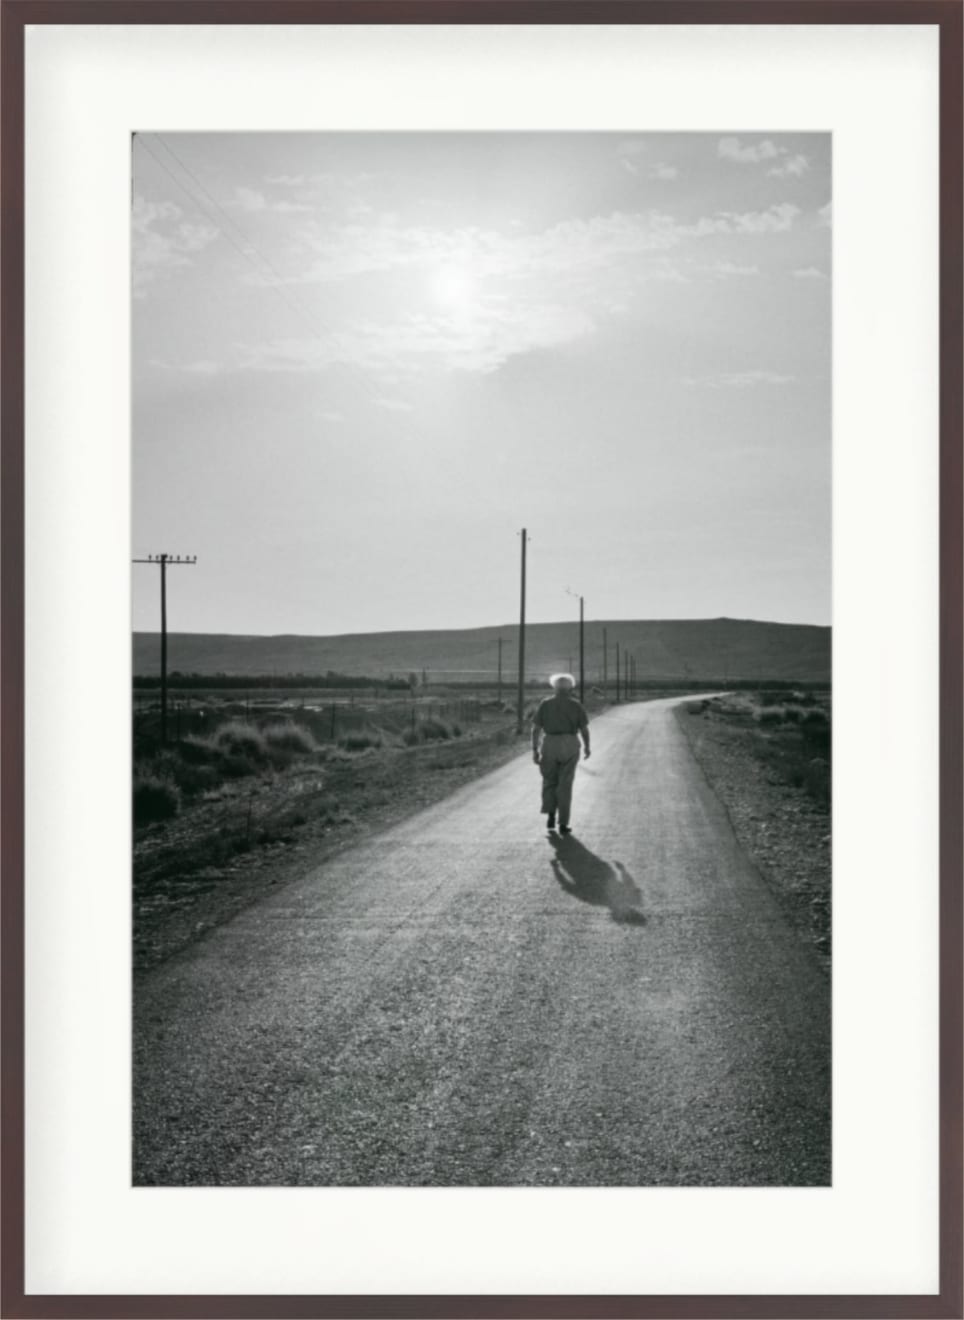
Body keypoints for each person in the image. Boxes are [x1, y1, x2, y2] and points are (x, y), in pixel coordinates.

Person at [531, 673, 590, 834]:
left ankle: (550, 815)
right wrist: (587, 747)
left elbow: (536, 729)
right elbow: (584, 729)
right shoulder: (576, 705)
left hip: (550, 743)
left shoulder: (545, 704)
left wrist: (535, 749)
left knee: (550, 781)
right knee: (565, 785)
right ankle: (563, 823)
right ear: (570, 687)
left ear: (554, 687)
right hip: (570, 744)